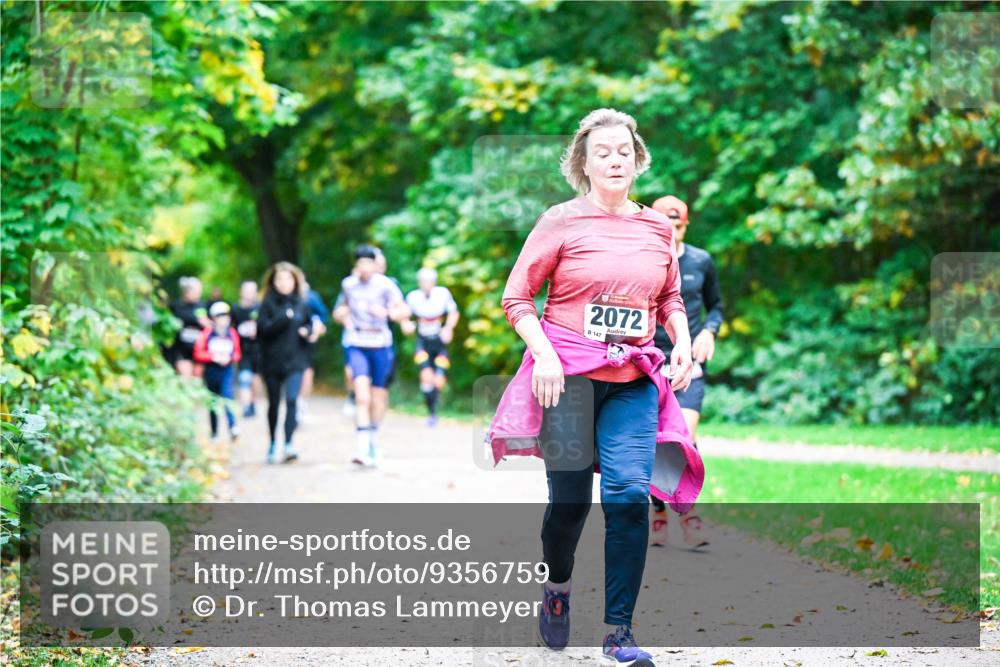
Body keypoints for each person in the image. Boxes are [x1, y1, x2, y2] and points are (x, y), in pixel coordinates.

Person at [488, 108, 704, 666]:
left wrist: (679, 340)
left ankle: (618, 632)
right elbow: (517, 298)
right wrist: (544, 356)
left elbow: (669, 300)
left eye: (624, 152)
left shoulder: (657, 226)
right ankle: (557, 588)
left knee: (629, 498)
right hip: (569, 380)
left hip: (632, 379)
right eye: (603, 152)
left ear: (638, 162)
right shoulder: (560, 220)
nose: (615, 160)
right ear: (583, 162)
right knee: (568, 505)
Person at [648, 195, 724, 550]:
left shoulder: (701, 261)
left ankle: (688, 516)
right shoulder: (642, 260)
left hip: (689, 364)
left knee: (682, 437)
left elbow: (717, 306)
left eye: (677, 225)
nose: (671, 231)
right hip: (650, 361)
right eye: (665, 224)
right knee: (654, 441)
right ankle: (659, 512)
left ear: (685, 225)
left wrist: (709, 331)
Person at [333, 245, 409, 468]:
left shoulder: (386, 285)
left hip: (380, 344)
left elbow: (403, 311)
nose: (365, 268)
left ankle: (373, 437)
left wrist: (386, 313)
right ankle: (362, 447)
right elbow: (340, 310)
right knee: (362, 396)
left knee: (378, 398)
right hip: (357, 344)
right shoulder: (348, 284)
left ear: (376, 265)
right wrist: (341, 316)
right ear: (356, 265)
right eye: (361, 263)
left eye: (369, 263)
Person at [257, 262, 313, 464]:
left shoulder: (302, 303)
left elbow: (309, 324)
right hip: (272, 362)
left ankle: (289, 444)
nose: (284, 283)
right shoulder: (267, 304)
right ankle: (273, 443)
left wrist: (308, 332)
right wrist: (283, 318)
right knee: (273, 404)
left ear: (295, 281)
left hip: (296, 361)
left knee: (291, 401)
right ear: (273, 282)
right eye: (279, 279)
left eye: (288, 279)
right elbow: (262, 330)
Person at [401, 267, 459, 426]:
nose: (426, 284)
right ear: (419, 283)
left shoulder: (442, 293)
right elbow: (404, 315)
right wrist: (406, 324)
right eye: (423, 282)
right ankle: (432, 413)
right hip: (422, 343)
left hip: (439, 343)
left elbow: (454, 312)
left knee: (439, 380)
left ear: (434, 282)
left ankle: (434, 408)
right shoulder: (413, 297)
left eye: (429, 281)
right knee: (426, 377)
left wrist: (448, 328)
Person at [193, 301, 242, 443]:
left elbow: (237, 353)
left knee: (227, 396)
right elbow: (198, 353)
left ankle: (233, 427)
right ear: (214, 318)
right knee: (213, 402)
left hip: (226, 370)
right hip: (211, 371)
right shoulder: (206, 334)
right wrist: (213, 357)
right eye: (220, 317)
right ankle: (214, 432)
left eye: (226, 317)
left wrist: (229, 358)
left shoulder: (232, 333)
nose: (224, 320)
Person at [298, 280, 329, 421]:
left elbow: (322, 315)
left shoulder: (311, 297)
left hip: (307, 340)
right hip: (289, 341)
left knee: (307, 371)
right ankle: (296, 403)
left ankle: (302, 403)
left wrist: (316, 329)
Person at [169, 277, 210, 378]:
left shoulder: (203, 305)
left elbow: (212, 324)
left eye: (199, 291)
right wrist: (197, 320)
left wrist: (208, 323)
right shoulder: (175, 306)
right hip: (181, 349)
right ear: (186, 291)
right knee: (185, 378)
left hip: (198, 350)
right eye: (196, 291)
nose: (198, 294)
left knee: (197, 381)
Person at [232, 281, 261, 418]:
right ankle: (246, 406)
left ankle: (252, 402)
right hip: (242, 350)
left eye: (252, 291)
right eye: (247, 290)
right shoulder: (235, 310)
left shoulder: (260, 308)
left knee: (255, 379)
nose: (249, 293)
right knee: (244, 378)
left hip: (258, 350)